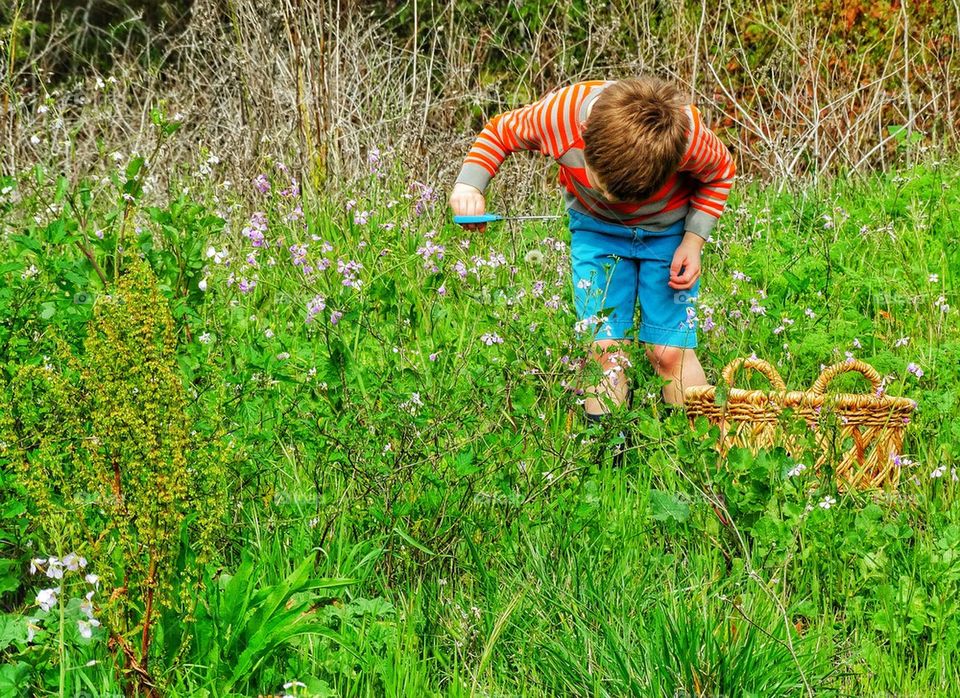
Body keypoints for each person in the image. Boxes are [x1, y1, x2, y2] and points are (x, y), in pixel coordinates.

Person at [449, 77, 735, 463]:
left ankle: (697, 459)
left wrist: (693, 241)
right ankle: (608, 463)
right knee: (603, 347)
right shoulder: (559, 116)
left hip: (669, 234)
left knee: (669, 351)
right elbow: (500, 131)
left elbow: (720, 173)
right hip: (597, 232)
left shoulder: (684, 134)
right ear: (586, 139)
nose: (623, 203)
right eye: (610, 187)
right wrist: (470, 185)